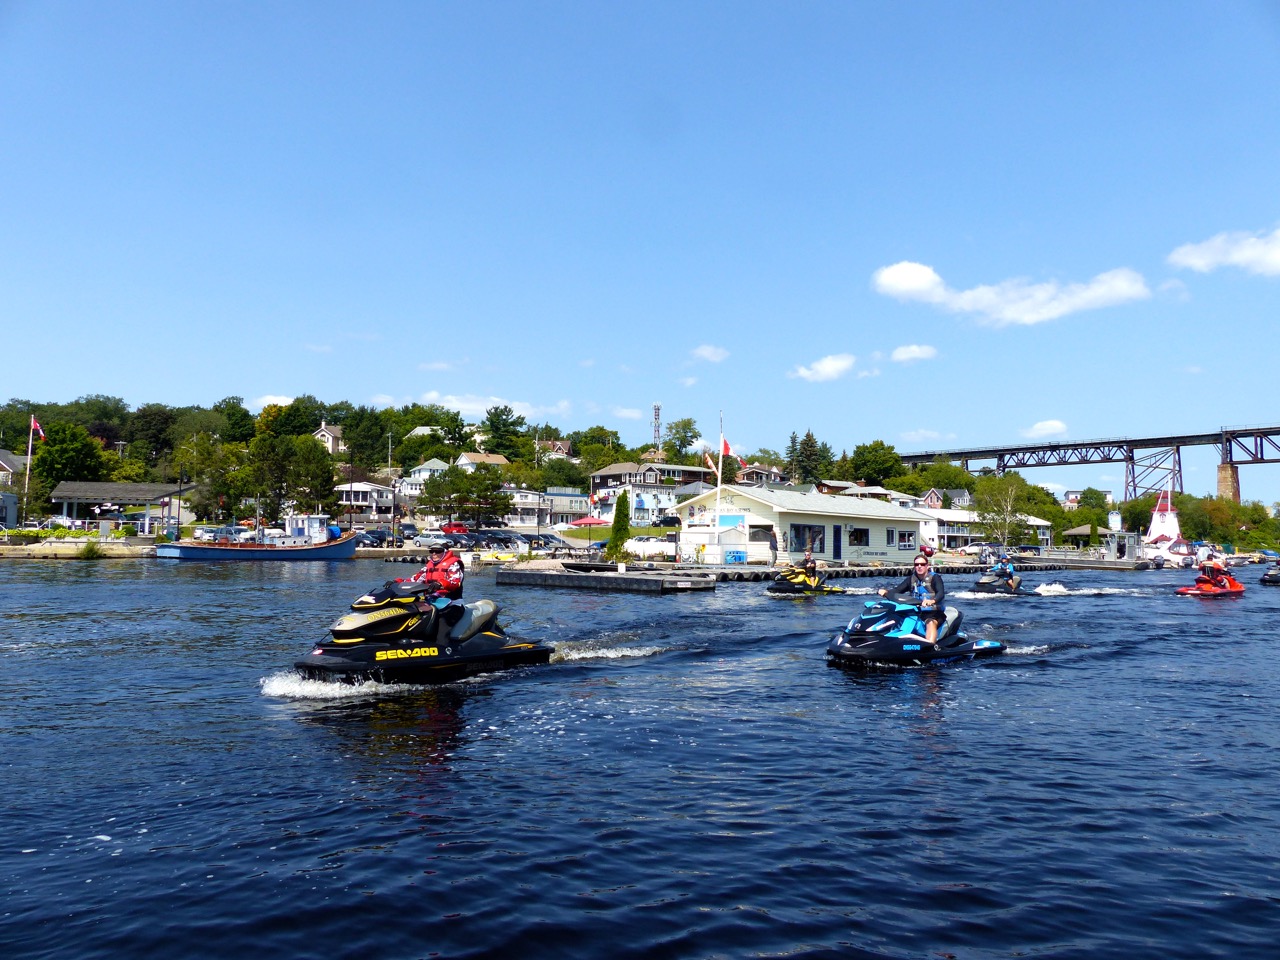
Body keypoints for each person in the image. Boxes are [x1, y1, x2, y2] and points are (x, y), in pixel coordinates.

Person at [407, 539, 467, 646]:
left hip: (452, 605)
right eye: (432, 551)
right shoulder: (428, 566)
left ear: (445, 551)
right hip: (432, 604)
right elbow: (415, 580)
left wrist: (440, 584)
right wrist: (397, 582)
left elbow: (455, 582)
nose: (434, 554)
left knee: (442, 623)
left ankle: (443, 649)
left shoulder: (454, 565)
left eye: (437, 551)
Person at [878, 553, 946, 645]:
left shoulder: (935, 578)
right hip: (915, 611)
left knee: (930, 622)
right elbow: (898, 590)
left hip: (933, 612)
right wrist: (886, 592)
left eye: (922, 564)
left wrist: (932, 601)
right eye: (916, 564)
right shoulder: (911, 579)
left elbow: (941, 593)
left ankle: (930, 646)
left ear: (927, 566)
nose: (919, 566)